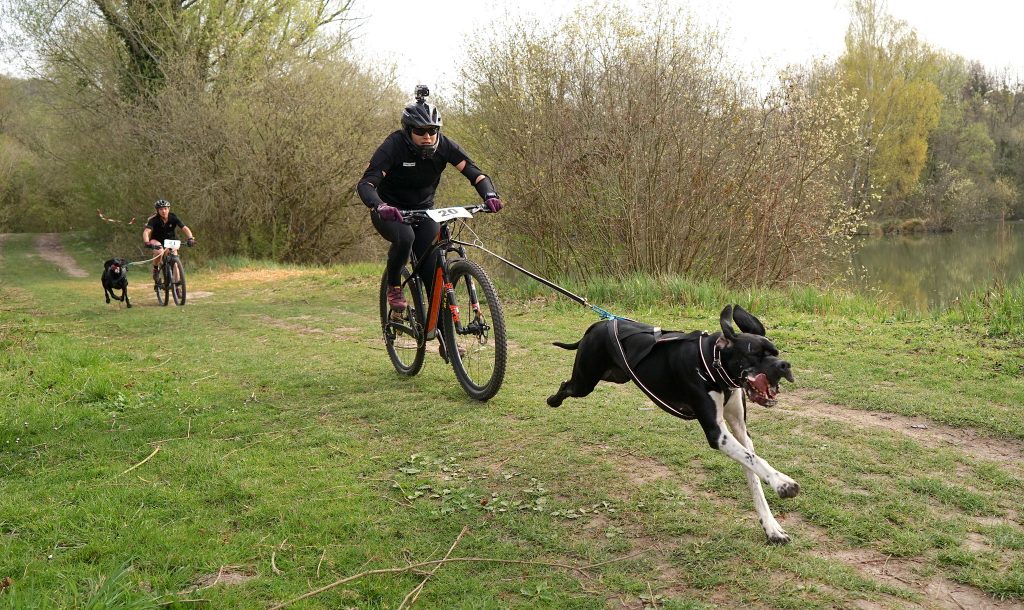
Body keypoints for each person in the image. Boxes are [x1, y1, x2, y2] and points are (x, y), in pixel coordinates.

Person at [357, 85, 503, 314]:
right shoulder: (393, 146)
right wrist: (380, 205)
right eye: (420, 131)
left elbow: (476, 174)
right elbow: (366, 184)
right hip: (389, 211)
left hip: (424, 211)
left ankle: (447, 344)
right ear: (408, 130)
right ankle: (394, 286)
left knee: (434, 274)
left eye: (432, 131)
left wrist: (490, 195)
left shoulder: (445, 146)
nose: (427, 137)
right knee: (405, 237)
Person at [142, 199, 195, 283]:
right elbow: (146, 231)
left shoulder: (173, 217)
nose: (163, 211)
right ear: (157, 210)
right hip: (156, 240)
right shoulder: (153, 220)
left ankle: (177, 286)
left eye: (165, 208)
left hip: (170, 241)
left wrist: (190, 238)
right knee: (159, 252)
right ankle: (156, 269)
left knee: (175, 262)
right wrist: (146, 242)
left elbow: (184, 228)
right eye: (161, 209)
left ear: (168, 209)